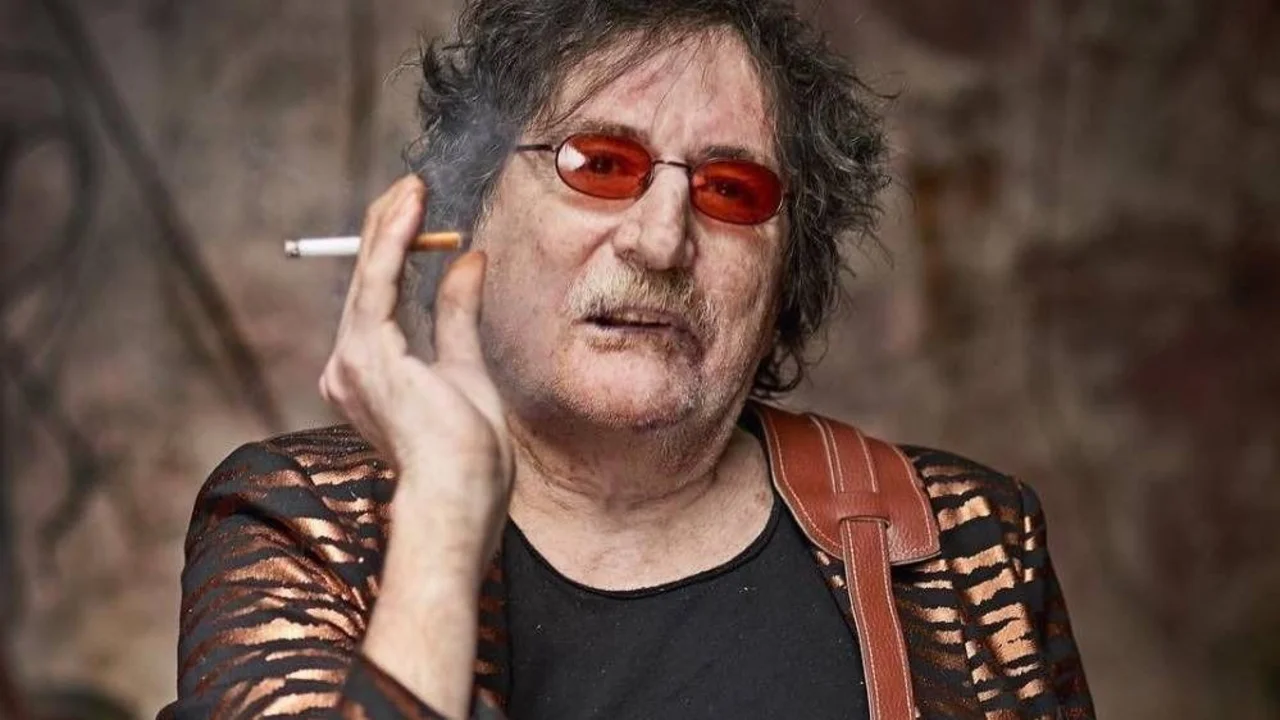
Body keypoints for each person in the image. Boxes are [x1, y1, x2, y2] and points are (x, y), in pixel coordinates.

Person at [161, 0, 1093, 718]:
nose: (661, 239)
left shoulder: (972, 543)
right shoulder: (302, 521)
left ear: (786, 271)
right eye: (600, 165)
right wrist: (441, 518)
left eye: (731, 190)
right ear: (467, 216)